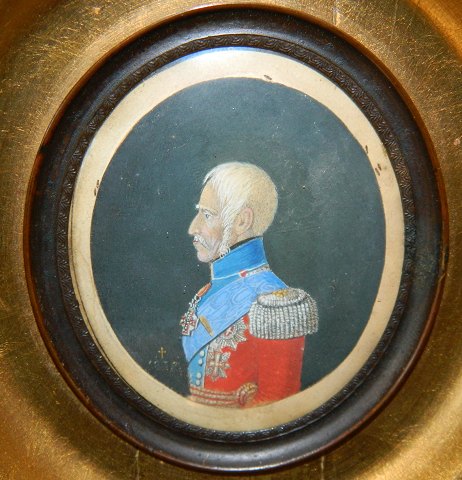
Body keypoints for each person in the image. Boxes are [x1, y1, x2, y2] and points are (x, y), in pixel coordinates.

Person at [180, 162, 318, 407]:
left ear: (242, 221)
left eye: (207, 215)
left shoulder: (276, 306)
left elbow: (276, 409)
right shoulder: (205, 292)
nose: (193, 228)